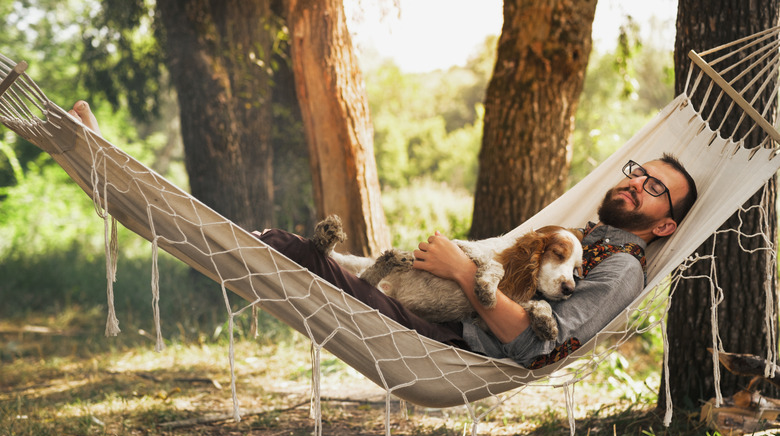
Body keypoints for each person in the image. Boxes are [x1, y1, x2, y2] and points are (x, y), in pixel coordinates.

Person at [67, 101, 697, 367]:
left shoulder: (621, 268)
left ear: (665, 223)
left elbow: (538, 350)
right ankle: (129, 188)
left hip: (451, 342)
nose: (636, 183)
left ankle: (128, 190)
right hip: (426, 307)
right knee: (295, 254)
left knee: (291, 255)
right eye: (639, 171)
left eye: (654, 189)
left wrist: (458, 272)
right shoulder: (579, 238)